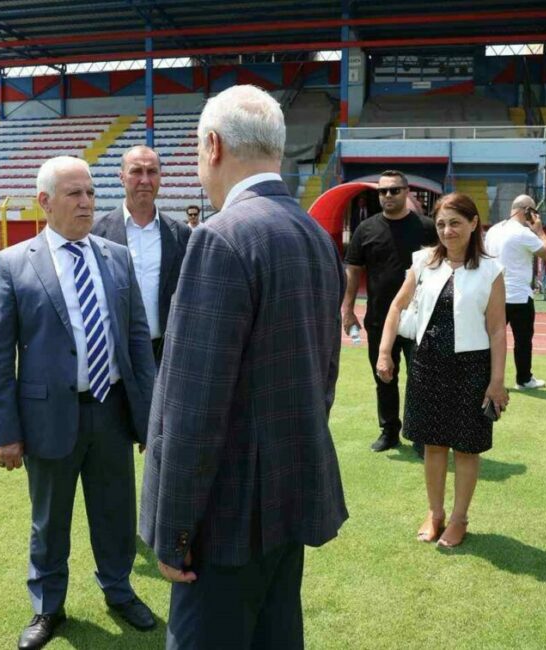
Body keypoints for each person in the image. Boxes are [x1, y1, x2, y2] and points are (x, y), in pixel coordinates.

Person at [139, 85, 348, 649]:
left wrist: (174, 529)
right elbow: (324, 375)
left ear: (212, 146)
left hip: (227, 517)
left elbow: (191, 409)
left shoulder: (220, 238)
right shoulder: (313, 234)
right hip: (288, 495)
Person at [0, 156, 159, 649]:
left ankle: (120, 591)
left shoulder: (115, 257)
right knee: (49, 521)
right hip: (47, 419)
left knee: (116, 515)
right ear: (44, 202)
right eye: (73, 194)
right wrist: (6, 432)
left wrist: (147, 421)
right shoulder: (12, 264)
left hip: (111, 411)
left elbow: (137, 344)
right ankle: (47, 608)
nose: (86, 202)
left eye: (89, 192)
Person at [377, 192, 509, 548]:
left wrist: (497, 382)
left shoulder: (491, 270)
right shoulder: (422, 262)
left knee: (466, 448)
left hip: (472, 369)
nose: (447, 230)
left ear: (473, 223)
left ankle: (459, 518)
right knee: (433, 445)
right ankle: (434, 514)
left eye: (455, 223)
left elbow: (497, 330)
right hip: (427, 364)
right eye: (440, 224)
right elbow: (396, 306)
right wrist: (385, 352)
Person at [342, 170, 439, 452]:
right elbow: (353, 271)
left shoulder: (426, 228)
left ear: (406, 192)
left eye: (394, 190)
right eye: (383, 191)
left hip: (420, 320)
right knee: (383, 377)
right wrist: (348, 310)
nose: (388, 196)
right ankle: (389, 431)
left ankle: (420, 435)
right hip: (379, 320)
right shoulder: (366, 229)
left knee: (420, 380)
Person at [92, 145, 191, 364]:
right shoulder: (96, 233)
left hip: (164, 355)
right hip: (113, 355)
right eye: (136, 171)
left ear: (160, 177)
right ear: (121, 177)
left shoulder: (181, 235)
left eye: (152, 171)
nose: (145, 179)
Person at [484, 194, 546, 390]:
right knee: (522, 340)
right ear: (528, 211)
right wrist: (539, 231)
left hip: (494, 294)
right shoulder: (524, 233)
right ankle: (523, 379)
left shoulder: (494, 230)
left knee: (490, 339)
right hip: (518, 296)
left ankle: (485, 377)